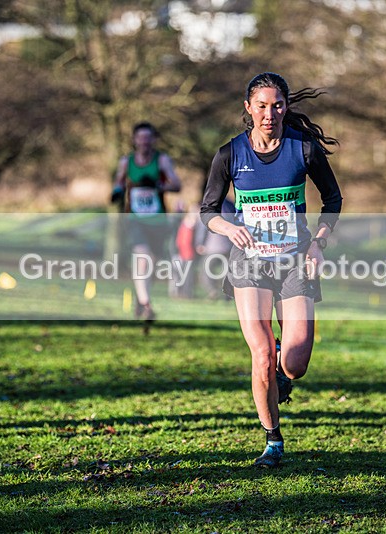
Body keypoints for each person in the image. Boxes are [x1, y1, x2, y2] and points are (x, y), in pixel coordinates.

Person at [200, 72, 343, 468]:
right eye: (261, 105)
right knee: (260, 354)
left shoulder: (304, 150)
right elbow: (208, 211)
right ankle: (273, 441)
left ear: (286, 107)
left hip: (296, 262)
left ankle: (284, 362)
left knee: (294, 364)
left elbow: (332, 198)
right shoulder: (230, 155)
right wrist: (229, 227)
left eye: (277, 105)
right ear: (248, 108)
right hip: (250, 264)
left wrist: (319, 242)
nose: (269, 113)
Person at [113, 122, 182, 321]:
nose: (144, 141)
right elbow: (119, 181)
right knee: (142, 257)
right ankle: (146, 305)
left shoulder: (162, 160)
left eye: (147, 137)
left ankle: (142, 297)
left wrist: (159, 186)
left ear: (153, 140)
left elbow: (176, 184)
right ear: (134, 140)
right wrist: (117, 191)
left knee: (152, 262)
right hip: (135, 218)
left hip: (158, 220)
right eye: (140, 138)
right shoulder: (127, 161)